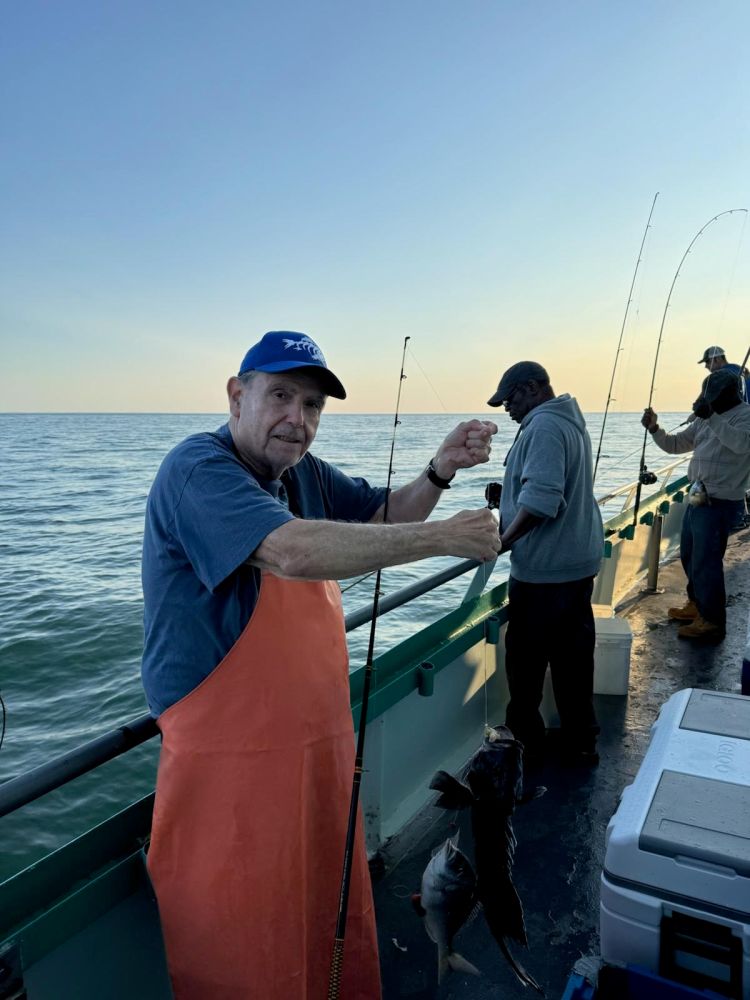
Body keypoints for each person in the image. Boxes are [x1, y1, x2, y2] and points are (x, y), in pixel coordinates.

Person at [141, 330, 501, 1000]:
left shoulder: (299, 473)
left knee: (326, 921)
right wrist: (445, 537)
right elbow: (291, 553)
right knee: (242, 947)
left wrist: (440, 469)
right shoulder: (199, 470)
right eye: (280, 395)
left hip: (318, 756)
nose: (297, 419)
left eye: (312, 405)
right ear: (236, 394)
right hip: (230, 770)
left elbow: (383, 513)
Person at [486, 361, 604, 772]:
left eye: (511, 399)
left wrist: (503, 542)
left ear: (533, 388)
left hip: (544, 575)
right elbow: (547, 485)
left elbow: (542, 502)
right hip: (576, 565)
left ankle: (524, 748)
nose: (508, 410)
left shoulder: (544, 427)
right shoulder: (567, 421)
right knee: (574, 661)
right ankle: (581, 743)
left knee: (525, 667)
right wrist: (507, 496)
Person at [642, 366, 750, 641]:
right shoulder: (705, 419)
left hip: (721, 502)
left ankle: (712, 621)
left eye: (714, 396)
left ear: (731, 394)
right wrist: (655, 428)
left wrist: (711, 417)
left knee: (707, 562)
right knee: (690, 555)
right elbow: (676, 445)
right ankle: (696, 605)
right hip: (698, 497)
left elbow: (741, 445)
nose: (710, 400)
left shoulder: (744, 416)